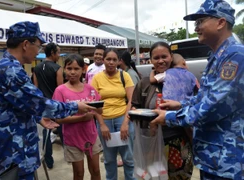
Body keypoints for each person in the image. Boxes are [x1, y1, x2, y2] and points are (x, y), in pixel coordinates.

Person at [0, 21, 96, 180]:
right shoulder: (11, 71)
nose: (39, 51)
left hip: (13, 153)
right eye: (38, 45)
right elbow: (38, 103)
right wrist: (75, 106)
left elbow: (21, 103)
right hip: (11, 157)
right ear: (26, 44)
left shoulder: (7, 66)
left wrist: (38, 118)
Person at [151, 1, 244, 180]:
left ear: (220, 22)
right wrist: (180, 104)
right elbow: (204, 97)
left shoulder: (235, 55)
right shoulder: (217, 56)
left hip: (227, 160)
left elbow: (213, 106)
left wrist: (169, 118)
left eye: (200, 21)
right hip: (212, 155)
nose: (196, 27)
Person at [131, 42, 193, 179]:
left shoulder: (182, 79)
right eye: (156, 58)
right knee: (153, 176)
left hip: (177, 140)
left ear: (171, 57)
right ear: (151, 60)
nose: (160, 61)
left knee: (178, 176)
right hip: (151, 143)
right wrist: (134, 112)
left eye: (164, 56)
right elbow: (134, 105)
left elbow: (197, 106)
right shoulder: (144, 83)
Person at [52, 54, 102, 180]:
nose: (72, 72)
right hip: (72, 138)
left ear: (83, 69)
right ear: (64, 69)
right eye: (69, 68)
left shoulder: (90, 89)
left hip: (91, 135)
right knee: (79, 173)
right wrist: (82, 118)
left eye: (76, 68)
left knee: (96, 171)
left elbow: (99, 111)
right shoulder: (60, 91)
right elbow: (58, 119)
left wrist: (99, 108)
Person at [91, 48, 136, 180]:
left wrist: (125, 123)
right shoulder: (97, 78)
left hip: (123, 117)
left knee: (128, 157)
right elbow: (95, 104)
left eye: (114, 60)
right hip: (104, 120)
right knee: (109, 159)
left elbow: (131, 100)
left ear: (119, 61)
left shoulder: (125, 76)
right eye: (108, 59)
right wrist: (102, 124)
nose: (111, 62)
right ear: (103, 60)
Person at [33, 42, 63, 169]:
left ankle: (48, 160)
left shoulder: (37, 68)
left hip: (42, 103)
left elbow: (35, 88)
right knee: (62, 128)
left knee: (46, 132)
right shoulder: (57, 68)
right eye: (58, 52)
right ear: (52, 53)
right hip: (55, 103)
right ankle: (69, 153)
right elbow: (60, 89)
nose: (59, 55)